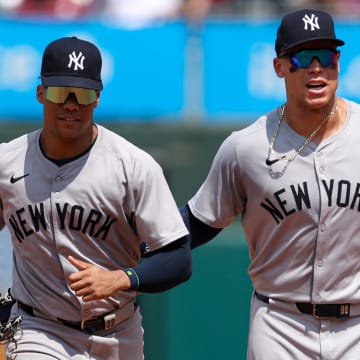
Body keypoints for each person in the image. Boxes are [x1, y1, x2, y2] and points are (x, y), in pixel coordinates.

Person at [180, 8, 360, 359]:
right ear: (279, 66)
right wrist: (131, 246)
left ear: (338, 61)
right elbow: (197, 223)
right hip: (280, 324)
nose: (316, 68)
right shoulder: (246, 147)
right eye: (303, 56)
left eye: (325, 55)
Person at [0, 36, 192, 360]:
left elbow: (178, 259)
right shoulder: (8, 162)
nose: (72, 104)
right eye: (61, 92)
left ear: (98, 99)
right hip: (39, 329)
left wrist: (121, 278)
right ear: (41, 93)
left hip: (119, 333)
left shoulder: (133, 166)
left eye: (84, 93)